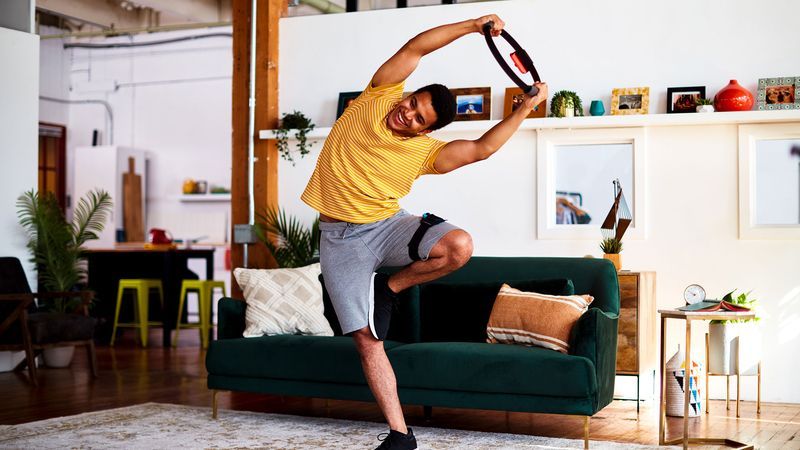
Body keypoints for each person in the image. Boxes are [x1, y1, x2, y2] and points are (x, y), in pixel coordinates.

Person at [301, 14, 547, 450]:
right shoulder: (376, 96)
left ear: (427, 132)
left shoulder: (425, 155)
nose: (407, 113)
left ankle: (389, 289)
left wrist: (526, 108)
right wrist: (473, 25)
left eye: (418, 119)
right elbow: (417, 47)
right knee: (367, 340)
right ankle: (401, 435)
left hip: (386, 225)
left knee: (459, 246)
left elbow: (482, 149)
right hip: (340, 239)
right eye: (413, 103)